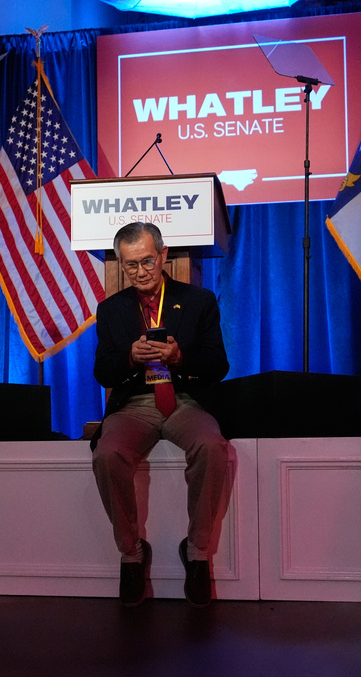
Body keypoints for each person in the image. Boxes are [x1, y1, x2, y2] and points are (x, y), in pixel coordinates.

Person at [91, 222, 230, 608]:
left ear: (164, 254)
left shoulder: (199, 301)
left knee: (211, 448)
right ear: (121, 264)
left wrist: (179, 357)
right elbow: (102, 371)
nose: (140, 272)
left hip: (185, 399)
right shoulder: (111, 310)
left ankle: (198, 552)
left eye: (147, 261)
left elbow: (219, 365)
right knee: (106, 455)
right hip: (135, 403)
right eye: (131, 265)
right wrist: (130, 358)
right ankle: (132, 553)